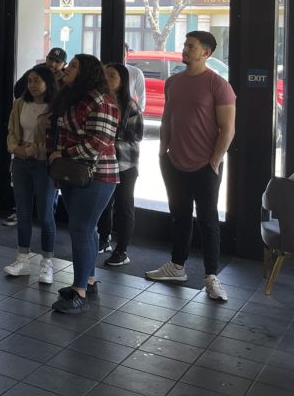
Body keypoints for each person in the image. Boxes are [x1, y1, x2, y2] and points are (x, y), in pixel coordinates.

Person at [146, 31, 236, 302]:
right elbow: (166, 120)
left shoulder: (219, 85)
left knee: (208, 220)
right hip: (174, 162)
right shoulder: (173, 82)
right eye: (185, 45)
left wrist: (214, 161)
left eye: (191, 46)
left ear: (206, 53)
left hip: (205, 166)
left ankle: (211, 277)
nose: (184, 49)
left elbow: (228, 129)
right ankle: (177, 266)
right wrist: (163, 152)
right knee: (180, 216)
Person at [48, 54, 120, 314]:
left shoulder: (101, 100)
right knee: (85, 231)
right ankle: (87, 282)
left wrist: (63, 154)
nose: (68, 68)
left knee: (81, 229)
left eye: (75, 65)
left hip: (98, 175)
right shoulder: (73, 96)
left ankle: (78, 292)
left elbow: (97, 144)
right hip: (73, 173)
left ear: (87, 72)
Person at [3, 66, 58, 284]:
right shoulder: (20, 103)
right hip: (20, 162)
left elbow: (53, 138)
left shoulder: (55, 107)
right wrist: (16, 149)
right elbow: (12, 132)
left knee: (45, 215)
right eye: (30, 81)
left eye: (37, 81)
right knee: (24, 213)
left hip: (44, 163)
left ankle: (47, 262)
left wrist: (32, 150)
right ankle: (22, 259)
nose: (33, 85)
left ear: (48, 83)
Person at [98, 63, 142, 266]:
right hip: (102, 163)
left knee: (124, 206)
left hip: (125, 164)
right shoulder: (99, 101)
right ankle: (103, 239)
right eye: (105, 74)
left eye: (112, 75)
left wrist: (109, 134)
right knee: (103, 204)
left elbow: (137, 134)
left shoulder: (130, 105)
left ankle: (122, 250)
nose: (107, 78)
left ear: (122, 80)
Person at [123, 44, 147, 112]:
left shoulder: (136, 73)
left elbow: (141, 98)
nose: (121, 57)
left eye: (123, 54)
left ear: (127, 55)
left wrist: (136, 114)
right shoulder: (107, 71)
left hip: (127, 111)